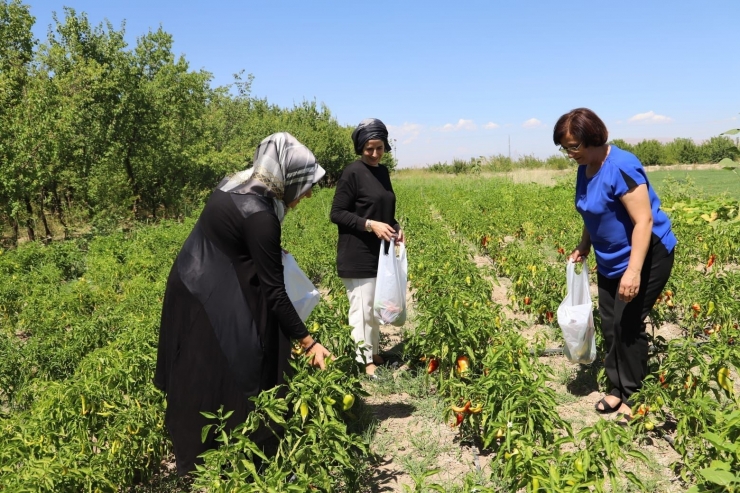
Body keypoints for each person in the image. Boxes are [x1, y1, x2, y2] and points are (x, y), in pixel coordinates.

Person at [154, 132, 331, 475]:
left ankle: (222, 448)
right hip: (209, 287)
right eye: (306, 183)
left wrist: (267, 251)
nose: (308, 193)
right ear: (287, 176)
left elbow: (232, 234)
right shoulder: (260, 214)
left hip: (194, 277)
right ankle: (246, 456)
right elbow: (275, 292)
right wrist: (309, 342)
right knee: (248, 356)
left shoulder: (237, 182)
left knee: (207, 363)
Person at [554, 108, 676, 420]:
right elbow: (591, 212)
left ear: (593, 138)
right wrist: (584, 245)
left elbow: (644, 221)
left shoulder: (621, 166)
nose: (569, 154)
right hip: (610, 259)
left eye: (573, 147)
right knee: (610, 324)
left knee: (627, 323)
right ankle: (616, 388)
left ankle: (635, 396)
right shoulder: (586, 167)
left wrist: (633, 271)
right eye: (564, 148)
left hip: (646, 254)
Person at [330, 118, 404, 376]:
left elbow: (384, 208)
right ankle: (365, 362)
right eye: (369, 149)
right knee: (362, 308)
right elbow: (337, 213)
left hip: (379, 253)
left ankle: (372, 352)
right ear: (360, 148)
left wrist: (395, 226)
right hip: (356, 252)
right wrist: (370, 225)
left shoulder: (382, 172)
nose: (374, 154)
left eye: (379, 148)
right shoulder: (352, 172)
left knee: (375, 306)